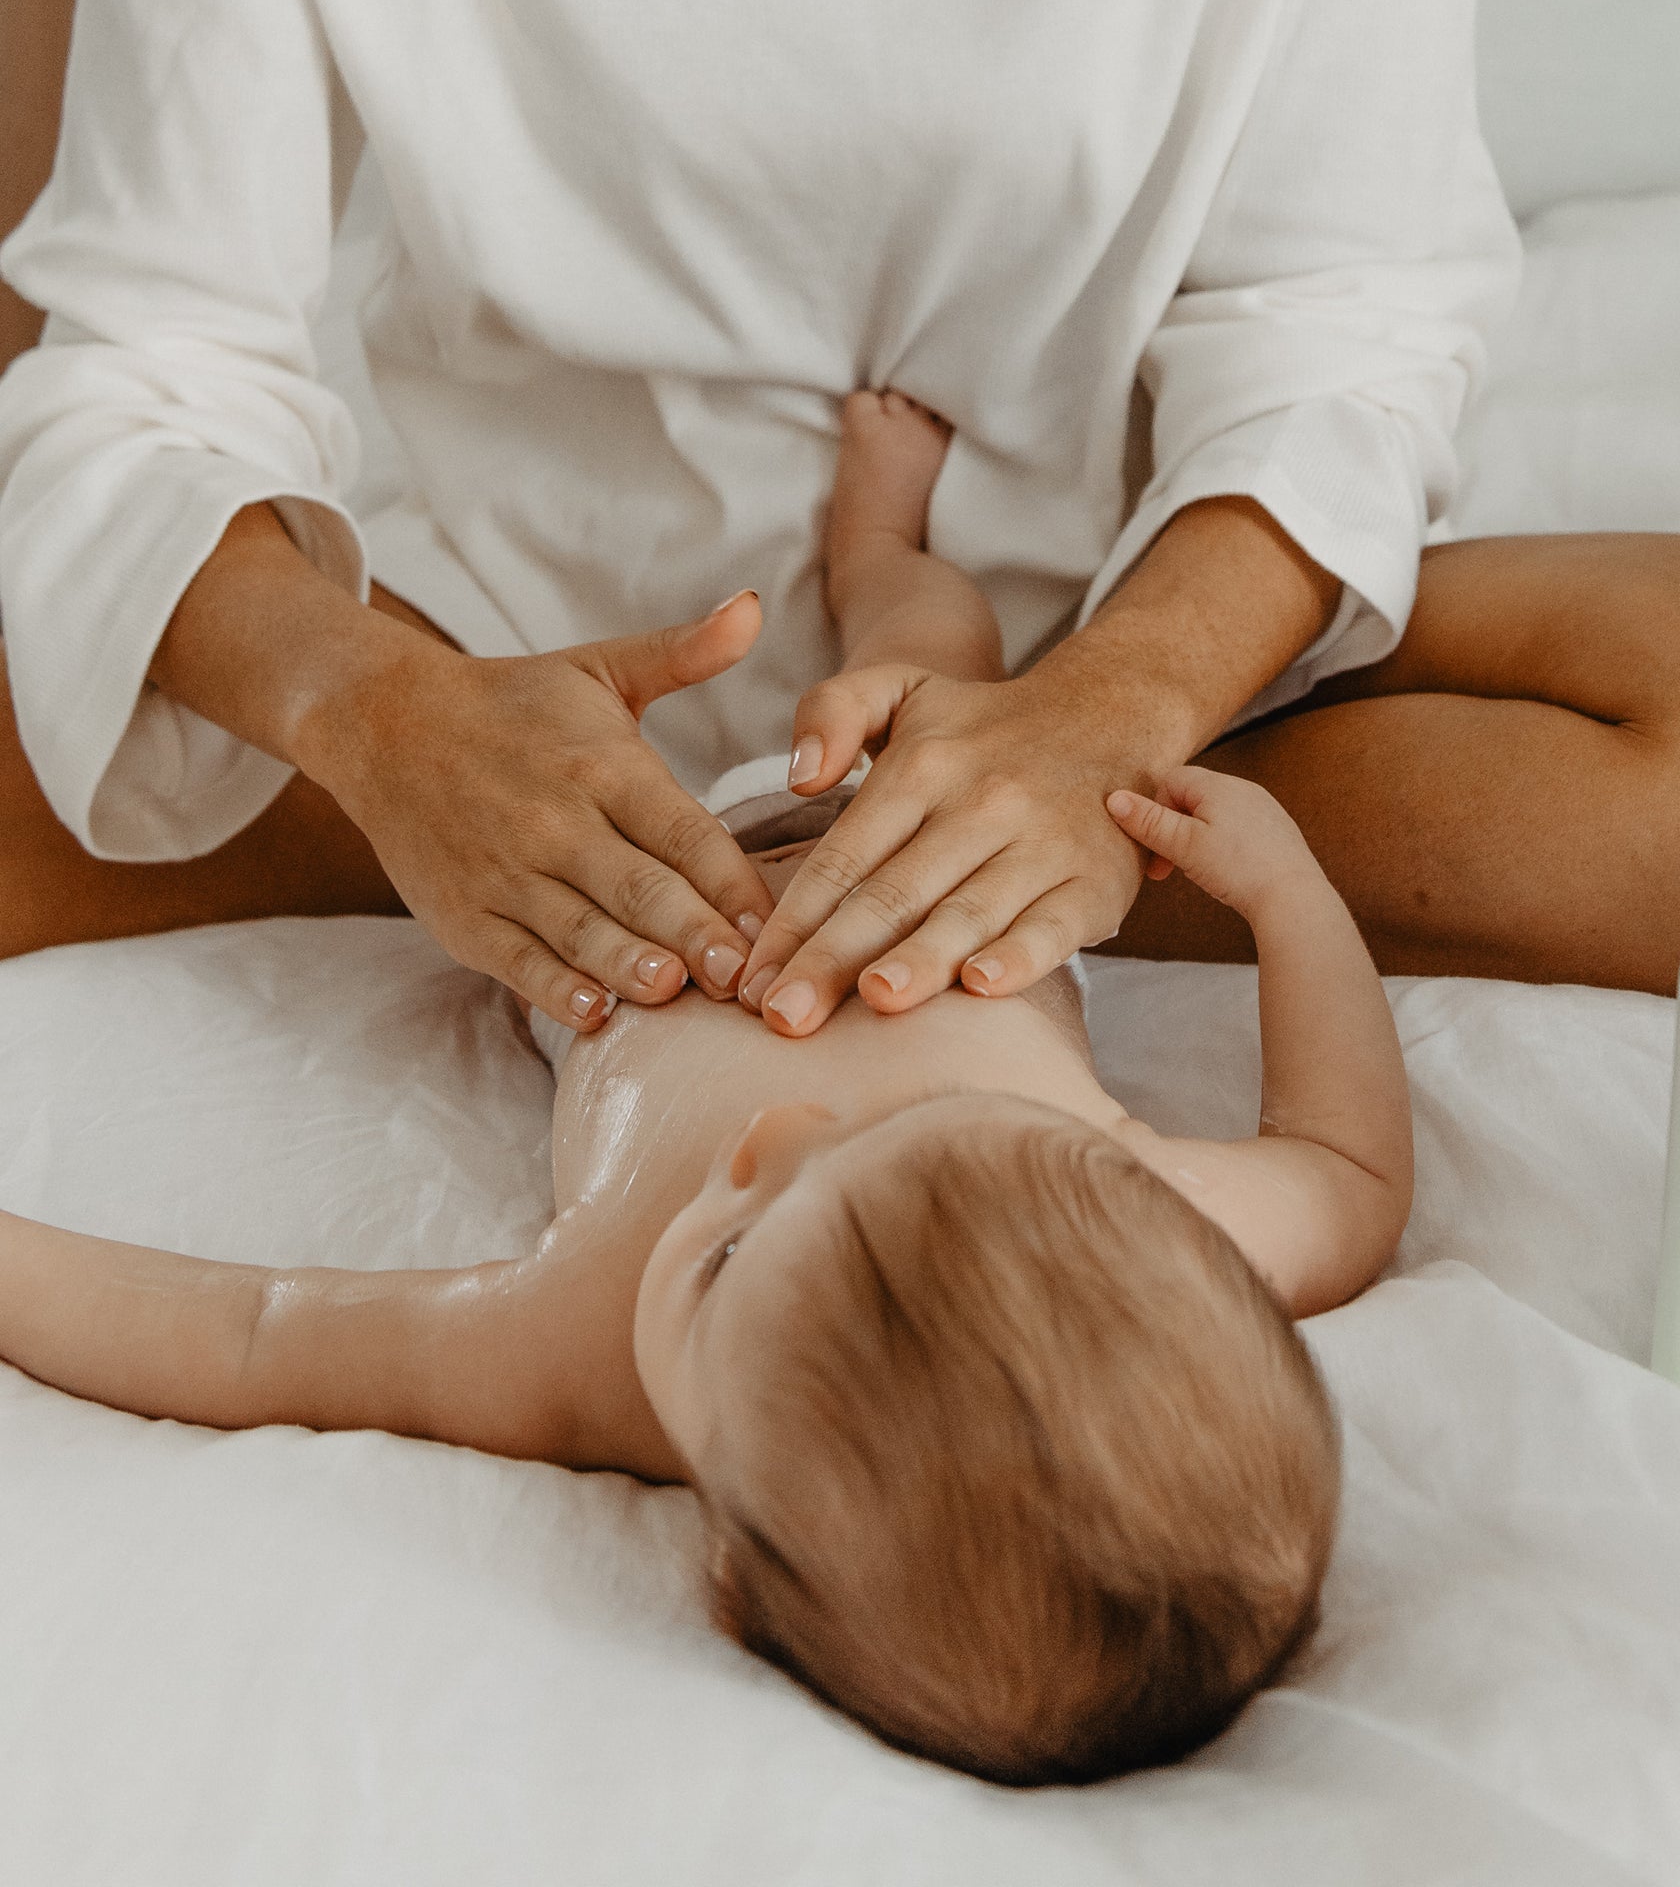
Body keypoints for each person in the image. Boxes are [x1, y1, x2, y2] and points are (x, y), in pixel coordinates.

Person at [0, 0, 1680, 1039]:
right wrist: (380, 721)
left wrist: (1100, 727)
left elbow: (1333, 311)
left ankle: (925, 867)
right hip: (495, 653)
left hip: (1129, 653)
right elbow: (153, 351)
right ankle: (737, 871)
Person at [0, 391, 1410, 1785]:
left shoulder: (582, 1359)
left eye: (729, 1258)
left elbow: (254, 1335)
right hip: (916, 817)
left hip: (613, 895)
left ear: (729, 1556)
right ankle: (879, 536)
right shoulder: (1167, 1230)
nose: (772, 1144)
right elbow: (1347, 1165)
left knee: (494, 772)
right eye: (921, 1136)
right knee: (933, 646)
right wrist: (1287, 897)